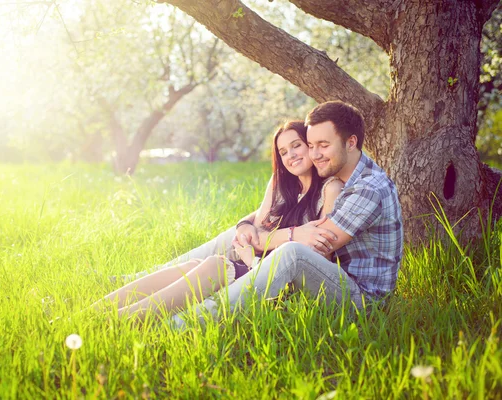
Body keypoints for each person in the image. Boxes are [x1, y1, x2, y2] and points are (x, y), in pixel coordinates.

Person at [171, 101, 403, 327]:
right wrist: (245, 225)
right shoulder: (346, 173)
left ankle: (183, 324)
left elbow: (316, 245)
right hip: (334, 279)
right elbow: (266, 218)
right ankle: (144, 280)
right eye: (311, 145)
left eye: (323, 145)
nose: (315, 154)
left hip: (362, 300)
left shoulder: (368, 189)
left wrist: (259, 247)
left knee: (293, 253)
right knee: (238, 236)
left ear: (350, 142)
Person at [95, 121, 343, 318]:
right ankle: (97, 309)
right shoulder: (286, 184)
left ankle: (120, 320)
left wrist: (250, 255)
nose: (291, 155)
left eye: (297, 145)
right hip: (257, 265)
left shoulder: (330, 189)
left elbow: (317, 259)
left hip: (284, 281)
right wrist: (248, 235)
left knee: (215, 265)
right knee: (196, 264)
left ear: (310, 146)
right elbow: (257, 227)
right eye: (283, 151)